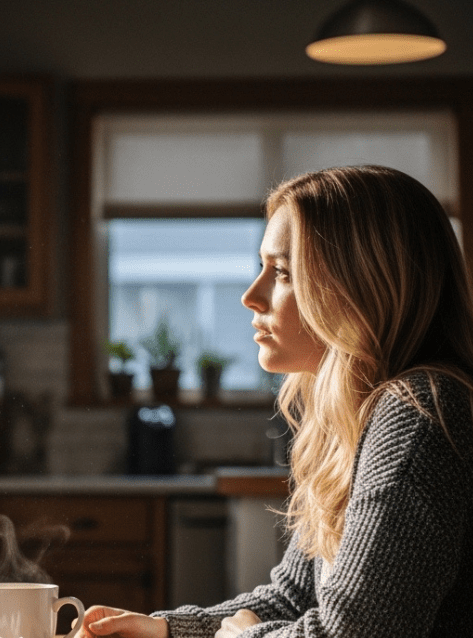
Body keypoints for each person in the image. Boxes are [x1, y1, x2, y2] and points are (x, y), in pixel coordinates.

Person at [83, 165, 473, 637]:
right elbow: (292, 598)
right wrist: (166, 631)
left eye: (283, 272)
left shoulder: (418, 413)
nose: (251, 296)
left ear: (361, 286)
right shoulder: (354, 418)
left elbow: (351, 634)